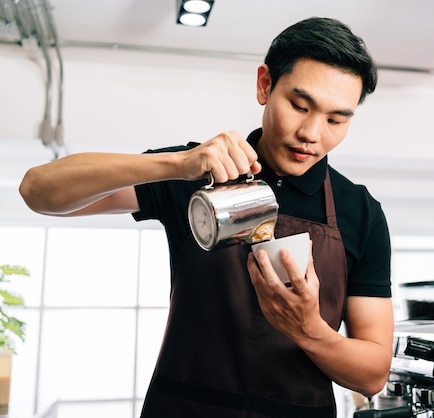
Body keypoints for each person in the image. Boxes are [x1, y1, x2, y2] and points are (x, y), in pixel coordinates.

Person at [20, 17, 394, 418]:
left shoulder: (360, 212)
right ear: (264, 85)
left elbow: (372, 376)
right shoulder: (193, 172)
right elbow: (38, 191)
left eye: (336, 120)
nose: (312, 133)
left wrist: (310, 331)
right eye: (300, 106)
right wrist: (176, 163)